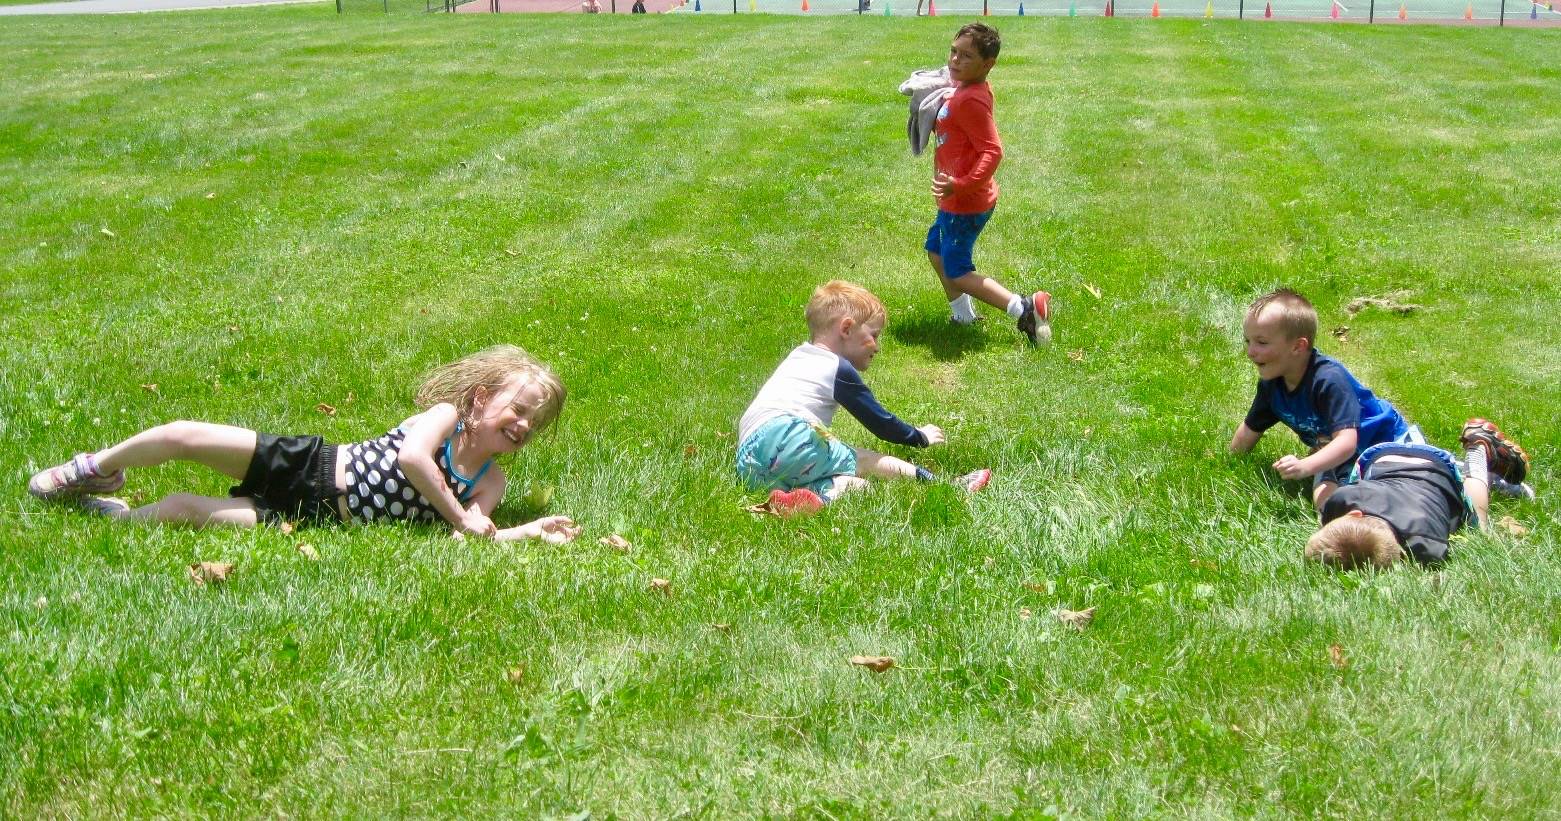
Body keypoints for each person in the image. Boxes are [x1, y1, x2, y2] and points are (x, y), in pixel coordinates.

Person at [27, 345, 581, 544]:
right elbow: (413, 460)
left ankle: (116, 518)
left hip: (318, 519)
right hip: (312, 465)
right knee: (182, 435)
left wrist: (523, 530)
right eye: (519, 409)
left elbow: (478, 533)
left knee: (184, 510)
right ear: (481, 398)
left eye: (537, 421)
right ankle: (96, 468)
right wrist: (458, 517)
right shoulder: (442, 419)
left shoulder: (490, 481)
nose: (525, 425)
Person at [736, 281, 990, 515]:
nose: (877, 347)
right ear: (846, 328)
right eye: (874, 335)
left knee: (859, 487)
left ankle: (804, 499)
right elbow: (880, 422)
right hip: (788, 433)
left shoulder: (797, 357)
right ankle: (946, 486)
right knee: (864, 460)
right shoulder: (834, 366)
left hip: (748, 461)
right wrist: (918, 436)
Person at [1229, 288, 1422, 512]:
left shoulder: (1329, 380)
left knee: (1410, 493)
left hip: (1386, 444)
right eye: (1248, 341)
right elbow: (1251, 428)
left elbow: (1347, 442)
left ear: (1298, 346)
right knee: (1325, 503)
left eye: (1261, 342)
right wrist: (1230, 461)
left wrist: (1304, 466)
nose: (1251, 351)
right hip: (1337, 454)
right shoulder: (1272, 385)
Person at [923, 23, 1052, 345]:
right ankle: (963, 315)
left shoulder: (971, 100)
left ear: (987, 63)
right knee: (936, 252)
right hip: (956, 199)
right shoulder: (965, 90)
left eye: (966, 56)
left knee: (957, 270)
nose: (955, 60)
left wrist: (962, 184)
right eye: (954, 51)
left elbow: (992, 151)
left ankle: (1022, 307)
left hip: (965, 203)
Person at [1305, 418, 1534, 568]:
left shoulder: (1426, 544)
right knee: (1324, 505)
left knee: (1477, 521)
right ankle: (1323, 459)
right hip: (1384, 456)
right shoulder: (1344, 500)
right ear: (1354, 515)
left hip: (1441, 471)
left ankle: (1479, 451)